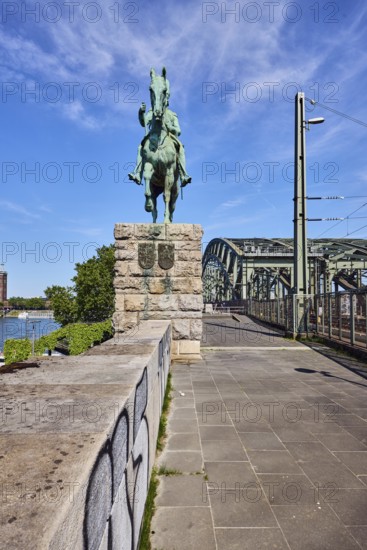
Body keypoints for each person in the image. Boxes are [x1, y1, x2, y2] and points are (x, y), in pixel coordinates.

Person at [128, 100, 192, 187]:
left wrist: (170, 127)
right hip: (153, 136)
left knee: (181, 148)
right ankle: (138, 174)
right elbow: (144, 123)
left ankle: (183, 175)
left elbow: (178, 131)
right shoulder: (152, 112)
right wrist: (141, 112)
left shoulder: (172, 114)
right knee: (140, 148)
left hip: (168, 137)